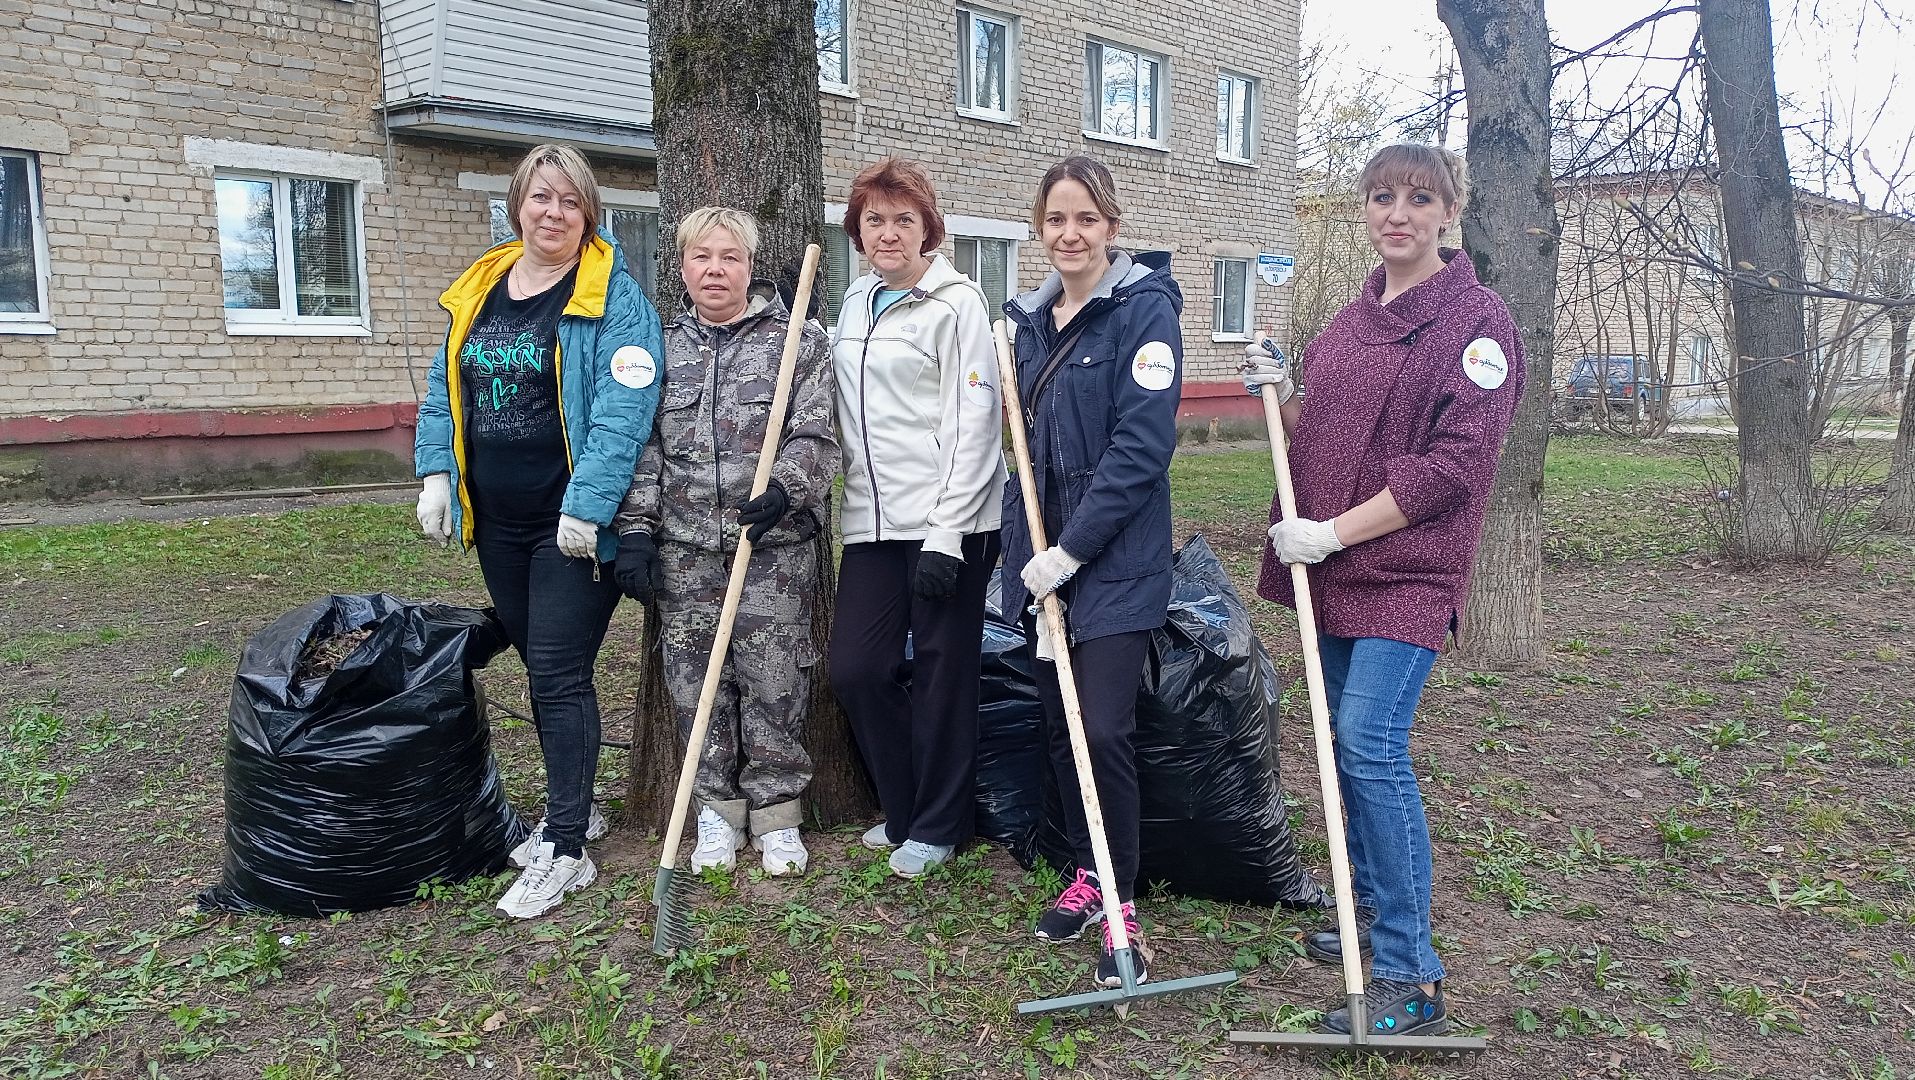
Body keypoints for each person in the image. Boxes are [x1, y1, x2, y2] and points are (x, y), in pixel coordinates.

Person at [1244, 143, 1523, 1037]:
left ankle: (1409, 973)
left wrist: (1330, 531)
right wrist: (1277, 390)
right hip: (1332, 569)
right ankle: (1364, 909)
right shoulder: (1351, 316)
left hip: (1405, 571)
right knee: (1335, 742)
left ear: (1448, 213)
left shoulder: (1478, 326)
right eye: (1379, 197)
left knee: (1368, 744)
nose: (1395, 213)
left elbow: (1451, 468)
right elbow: (1313, 430)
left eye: (1416, 198)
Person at [412, 143, 663, 919]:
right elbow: (441, 387)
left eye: (569, 201)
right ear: (518, 203)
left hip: (571, 525)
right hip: (500, 521)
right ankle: (577, 804)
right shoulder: (481, 287)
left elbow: (625, 413)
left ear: (588, 213)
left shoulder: (614, 297)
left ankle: (564, 846)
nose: (553, 213)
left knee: (556, 671)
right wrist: (436, 473)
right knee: (542, 666)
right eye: (540, 198)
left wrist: (587, 507)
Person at [611, 207, 839, 877]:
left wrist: (787, 488)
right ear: (680, 267)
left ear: (749, 266)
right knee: (694, 690)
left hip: (771, 551)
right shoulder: (657, 346)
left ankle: (774, 818)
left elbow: (817, 432)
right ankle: (715, 812)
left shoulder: (797, 339)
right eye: (701, 257)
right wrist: (634, 532)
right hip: (684, 551)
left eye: (729, 257)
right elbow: (642, 446)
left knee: (773, 683)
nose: (715, 269)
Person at [1001, 156, 1181, 988]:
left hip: (1113, 561)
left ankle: (1120, 896)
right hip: (1042, 560)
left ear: (1112, 226)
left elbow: (1139, 449)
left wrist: (1073, 550)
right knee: (1059, 724)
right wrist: (1038, 561)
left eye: (1085, 219)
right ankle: (1084, 871)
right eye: (1054, 221)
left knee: (1102, 726)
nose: (1069, 235)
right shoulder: (1030, 324)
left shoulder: (1143, 312)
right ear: (1039, 229)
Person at [826, 158, 1006, 880]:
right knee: (856, 669)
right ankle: (901, 808)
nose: (888, 232)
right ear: (857, 230)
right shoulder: (853, 301)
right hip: (870, 518)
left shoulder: (956, 301)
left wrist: (946, 532)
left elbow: (975, 419)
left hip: (948, 523)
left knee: (941, 674)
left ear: (929, 227)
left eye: (904, 219)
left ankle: (939, 826)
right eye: (875, 220)